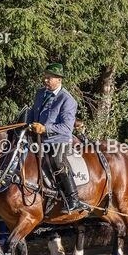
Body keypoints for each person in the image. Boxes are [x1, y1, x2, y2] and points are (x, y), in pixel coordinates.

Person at [26, 63, 88, 212]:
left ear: (59, 79)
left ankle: (74, 199)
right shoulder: (40, 93)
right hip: (37, 138)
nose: (45, 81)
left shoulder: (68, 100)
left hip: (58, 140)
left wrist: (45, 128)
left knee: (57, 161)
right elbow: (34, 114)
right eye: (45, 77)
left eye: (49, 78)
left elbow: (66, 128)